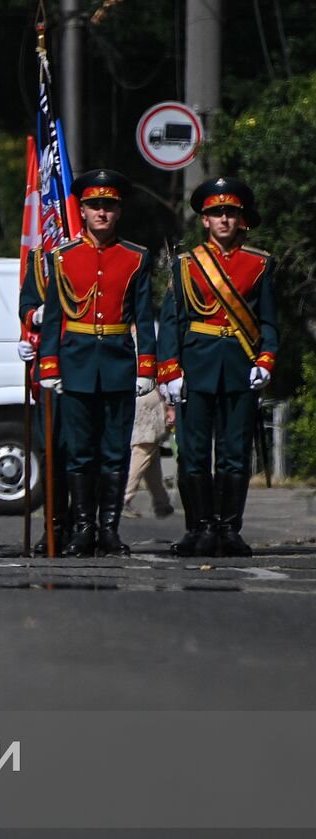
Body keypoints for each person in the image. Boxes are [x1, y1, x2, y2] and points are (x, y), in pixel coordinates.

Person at [157, 177, 278, 558]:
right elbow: (172, 321)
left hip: (240, 367)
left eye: (230, 213)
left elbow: (269, 322)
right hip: (196, 366)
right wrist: (170, 370)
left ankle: (228, 529)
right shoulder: (186, 265)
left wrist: (266, 359)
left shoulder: (259, 264)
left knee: (234, 452)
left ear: (241, 220)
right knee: (193, 452)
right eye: (216, 213)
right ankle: (199, 528)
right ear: (204, 220)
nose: (224, 220)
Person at [38, 169, 156, 558]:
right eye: (94, 206)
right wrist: (50, 365)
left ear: (118, 211)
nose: (101, 213)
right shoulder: (63, 257)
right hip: (76, 362)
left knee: (114, 451)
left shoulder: (135, 257)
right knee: (79, 450)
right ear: (83, 211)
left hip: (119, 363)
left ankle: (108, 529)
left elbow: (143, 314)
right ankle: (83, 528)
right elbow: (54, 316)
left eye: (109, 206)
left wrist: (146, 367)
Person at [17, 245, 69, 554]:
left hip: (84, 360)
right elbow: (26, 303)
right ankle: (54, 526)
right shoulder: (41, 259)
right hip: (48, 365)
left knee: (84, 451)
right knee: (51, 450)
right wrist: (34, 316)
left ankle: (86, 524)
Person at [123, 384, 175, 519]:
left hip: (141, 391)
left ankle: (162, 502)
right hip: (153, 395)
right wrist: (170, 406)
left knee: (151, 454)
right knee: (144, 450)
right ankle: (123, 497)